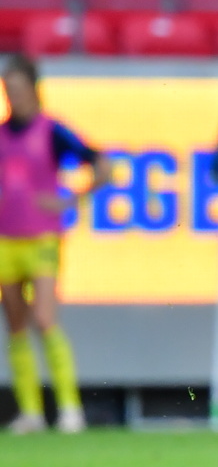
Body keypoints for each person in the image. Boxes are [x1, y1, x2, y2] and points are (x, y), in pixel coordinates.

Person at [1, 54, 112, 435]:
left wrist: (73, 199)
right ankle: (31, 412)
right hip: (5, 239)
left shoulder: (52, 131)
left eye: (18, 87)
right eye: (7, 89)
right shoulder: (1, 135)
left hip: (41, 237)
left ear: (33, 88)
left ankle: (69, 407)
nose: (13, 95)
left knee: (45, 319)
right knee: (16, 325)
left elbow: (102, 164)